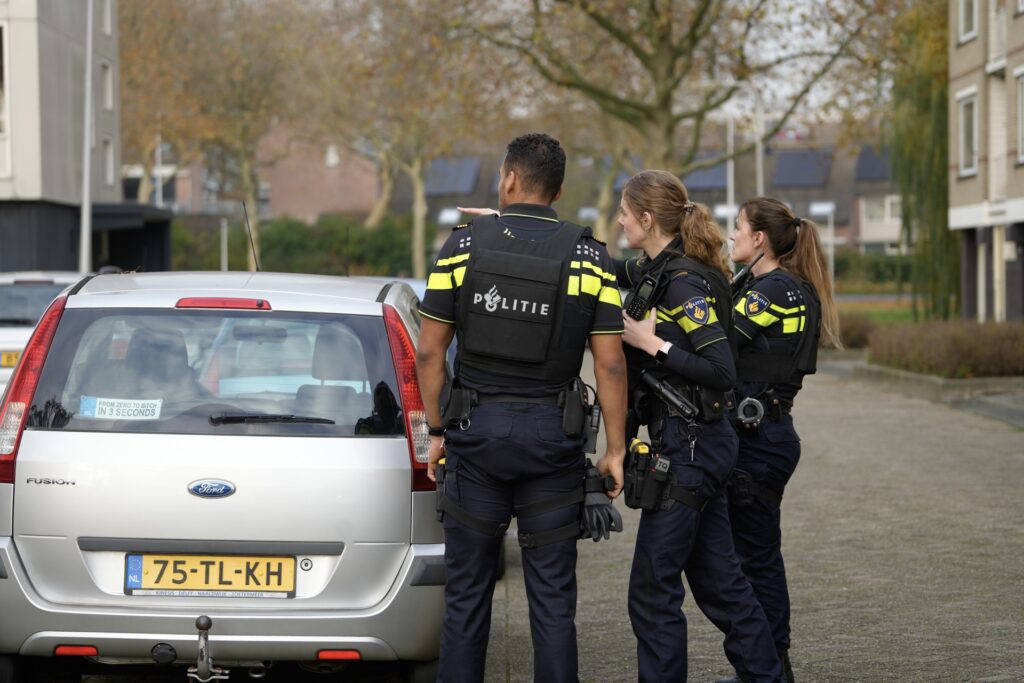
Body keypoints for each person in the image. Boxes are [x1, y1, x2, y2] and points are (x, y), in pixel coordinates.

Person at [416, 133, 628, 683]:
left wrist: (436, 431)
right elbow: (609, 364)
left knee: (466, 597)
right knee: (553, 602)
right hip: (553, 442)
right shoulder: (591, 256)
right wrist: (616, 450)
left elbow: (429, 352)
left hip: (474, 437)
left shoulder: (461, 247)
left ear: (509, 179)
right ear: (557, 191)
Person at [614, 170, 782, 683]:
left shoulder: (684, 284)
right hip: (695, 447)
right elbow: (594, 260)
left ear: (647, 219)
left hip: (690, 450)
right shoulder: (656, 270)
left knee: (651, 589)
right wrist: (516, 225)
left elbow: (722, 371)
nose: (618, 220)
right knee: (720, 585)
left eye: (624, 212)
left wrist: (651, 344)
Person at [720, 197, 842, 683]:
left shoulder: (773, 291)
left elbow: (715, 341)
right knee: (756, 557)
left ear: (760, 240)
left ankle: (771, 669)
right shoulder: (775, 286)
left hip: (757, 439)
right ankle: (770, 666)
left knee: (755, 561)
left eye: (736, 228)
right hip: (766, 434)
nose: (731, 236)